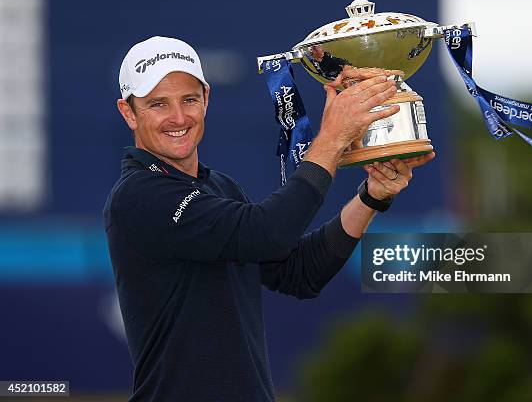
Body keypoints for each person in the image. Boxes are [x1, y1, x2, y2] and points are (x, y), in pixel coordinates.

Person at [104, 36, 434, 402]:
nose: (178, 117)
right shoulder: (138, 195)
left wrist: (371, 195)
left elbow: (299, 272)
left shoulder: (218, 187)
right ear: (128, 113)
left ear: (207, 99)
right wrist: (332, 138)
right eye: (157, 104)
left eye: (189, 99)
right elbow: (268, 232)